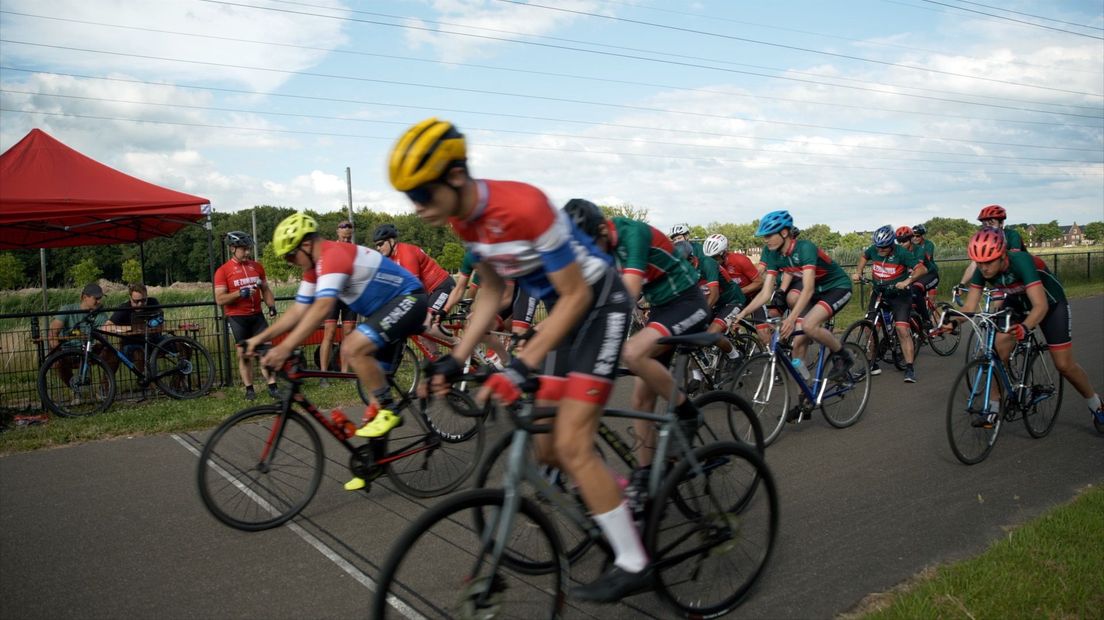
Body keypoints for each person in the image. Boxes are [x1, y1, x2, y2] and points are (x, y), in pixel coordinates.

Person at [389, 117, 648, 603]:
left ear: (456, 176)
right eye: (410, 197)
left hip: (598, 305)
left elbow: (573, 298)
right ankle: (618, 493)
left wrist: (520, 365)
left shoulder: (523, 206)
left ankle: (634, 562)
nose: (417, 207)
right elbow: (491, 289)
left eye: (421, 193)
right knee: (549, 450)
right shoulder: (465, 222)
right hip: (569, 314)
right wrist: (456, 359)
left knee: (570, 445)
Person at [245, 212, 429, 491]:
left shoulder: (333, 255)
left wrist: (285, 347)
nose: (290, 263)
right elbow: (298, 310)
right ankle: (375, 464)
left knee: (351, 347)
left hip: (409, 299)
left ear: (306, 244)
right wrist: (261, 338)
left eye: (290, 256)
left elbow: (320, 308)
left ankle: (391, 409)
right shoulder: (313, 268)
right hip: (385, 312)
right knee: (372, 401)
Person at [564, 201, 709, 517]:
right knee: (641, 400)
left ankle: (687, 412)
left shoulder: (633, 234)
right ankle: (645, 475)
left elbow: (626, 294)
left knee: (632, 352)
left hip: (688, 302)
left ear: (602, 229)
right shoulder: (601, 244)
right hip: (661, 310)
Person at [949, 227, 1102, 428]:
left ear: (1003, 255)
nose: (983, 268)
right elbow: (969, 308)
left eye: (989, 262)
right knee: (996, 350)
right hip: (1017, 301)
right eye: (979, 262)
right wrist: (951, 322)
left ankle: (1096, 405)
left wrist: (1025, 326)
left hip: (1050, 304)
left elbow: (1040, 306)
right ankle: (993, 408)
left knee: (1064, 365)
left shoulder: (1021, 261)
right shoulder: (982, 270)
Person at [732, 210, 854, 412]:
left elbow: (807, 288)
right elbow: (765, 293)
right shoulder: (773, 254)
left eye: (770, 235)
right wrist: (743, 313)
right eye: (764, 236)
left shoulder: (805, 248)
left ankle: (843, 355)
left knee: (808, 325)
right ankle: (804, 395)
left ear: (785, 233)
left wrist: (792, 318)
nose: (766, 240)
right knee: (798, 346)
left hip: (836, 287)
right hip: (815, 292)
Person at [853, 226, 927, 382]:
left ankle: (909, 368)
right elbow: (863, 257)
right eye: (878, 246)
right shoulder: (875, 249)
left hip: (899, 296)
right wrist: (859, 272)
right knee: (869, 328)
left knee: (902, 329)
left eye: (884, 247)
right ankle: (872, 364)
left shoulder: (902, 253)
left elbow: (922, 269)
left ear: (892, 243)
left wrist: (907, 281)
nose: (880, 250)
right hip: (879, 292)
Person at [214, 231, 279, 400]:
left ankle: (273, 386)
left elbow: (265, 289)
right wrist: (238, 294)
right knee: (244, 355)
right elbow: (220, 299)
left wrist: (271, 305)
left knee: (266, 351)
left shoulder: (257, 267)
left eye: (248, 249)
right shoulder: (223, 271)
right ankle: (249, 389)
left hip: (257, 315)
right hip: (237, 318)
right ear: (232, 249)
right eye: (243, 249)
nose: (247, 253)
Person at [373, 222, 457, 341]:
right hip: (429, 292)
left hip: (442, 286)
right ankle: (435, 359)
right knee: (421, 333)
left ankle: (460, 344)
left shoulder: (406, 253)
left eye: (381, 244)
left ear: (391, 241)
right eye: (376, 245)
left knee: (426, 323)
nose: (378, 248)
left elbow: (412, 287)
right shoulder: (391, 258)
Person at [959, 205, 1046, 287]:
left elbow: (1013, 258)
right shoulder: (986, 241)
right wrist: (962, 284)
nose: (988, 227)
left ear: (1001, 223)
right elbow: (974, 264)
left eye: (991, 223)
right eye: (984, 224)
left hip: (1024, 275)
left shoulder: (1012, 235)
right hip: (1003, 279)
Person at [47, 283, 109, 388]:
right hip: (67, 350)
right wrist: (58, 350)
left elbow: (104, 336)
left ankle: (104, 389)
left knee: (109, 353)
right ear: (85, 297)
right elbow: (52, 333)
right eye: (96, 298)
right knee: (57, 360)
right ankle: (75, 388)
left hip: (89, 351)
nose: (99, 301)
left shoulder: (101, 315)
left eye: (100, 298)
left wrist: (98, 345)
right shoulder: (67, 310)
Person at [318, 220, 358, 379]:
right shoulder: (330, 249)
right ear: (337, 233)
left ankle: (345, 373)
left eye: (349, 237)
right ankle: (323, 373)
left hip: (349, 296)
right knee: (330, 333)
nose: (347, 240)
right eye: (344, 237)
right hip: (333, 296)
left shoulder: (355, 250)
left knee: (348, 333)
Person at [103, 282, 163, 367]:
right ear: (130, 298)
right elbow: (106, 327)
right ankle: (143, 379)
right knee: (139, 354)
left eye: (143, 300)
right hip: (132, 344)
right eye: (136, 301)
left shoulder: (153, 302)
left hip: (153, 341)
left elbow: (160, 319)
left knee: (182, 344)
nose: (140, 304)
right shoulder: (124, 308)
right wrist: (129, 328)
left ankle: (179, 379)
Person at [906, 223, 939, 327]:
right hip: (917, 275)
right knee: (914, 297)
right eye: (913, 236)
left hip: (929, 273)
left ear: (922, 236)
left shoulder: (928, 245)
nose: (915, 238)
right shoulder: (909, 247)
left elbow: (925, 259)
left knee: (931, 301)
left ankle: (931, 323)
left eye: (918, 236)